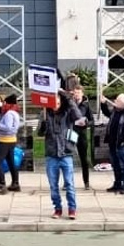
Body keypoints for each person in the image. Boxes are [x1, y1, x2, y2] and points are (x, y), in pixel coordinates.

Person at [38, 90, 82, 219]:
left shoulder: (67, 113)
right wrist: (43, 126)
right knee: (53, 185)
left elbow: (78, 117)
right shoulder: (45, 114)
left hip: (66, 153)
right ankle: (57, 208)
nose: (55, 105)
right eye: (53, 102)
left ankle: (72, 208)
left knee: (69, 183)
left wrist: (69, 100)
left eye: (58, 102)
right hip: (52, 154)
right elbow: (39, 133)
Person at [101, 93, 124, 194]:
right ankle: (117, 184)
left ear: (122, 104)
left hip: (121, 144)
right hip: (112, 142)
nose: (114, 102)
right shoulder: (115, 111)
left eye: (117, 101)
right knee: (115, 164)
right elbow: (107, 113)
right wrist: (103, 104)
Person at [0, 94, 21, 195]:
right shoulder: (14, 112)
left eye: (4, 102)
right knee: (11, 162)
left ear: (7, 103)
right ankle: (15, 183)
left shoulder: (9, 114)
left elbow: (8, 127)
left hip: (5, 140)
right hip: (11, 140)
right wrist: (0, 113)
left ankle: (1, 185)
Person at [72, 85, 95, 190]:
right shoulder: (70, 104)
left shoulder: (86, 105)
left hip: (82, 134)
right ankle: (67, 182)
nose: (76, 95)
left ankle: (86, 182)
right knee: (68, 158)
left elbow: (92, 120)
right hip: (71, 133)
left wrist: (86, 123)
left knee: (83, 159)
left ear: (82, 93)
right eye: (75, 92)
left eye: (78, 93)